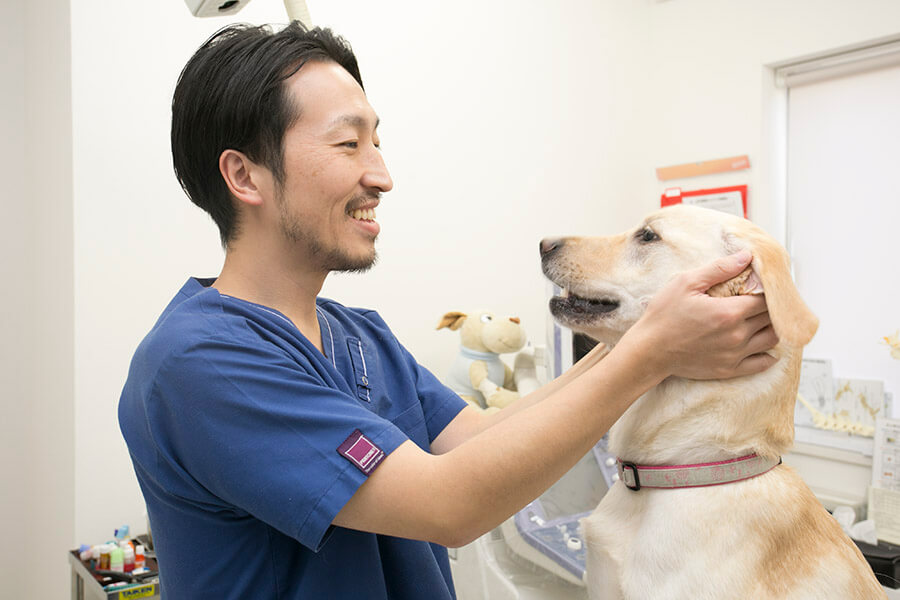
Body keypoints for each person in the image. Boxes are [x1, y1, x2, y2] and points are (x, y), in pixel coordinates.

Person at [118, 21, 778, 600]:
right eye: (349, 145)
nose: (381, 174)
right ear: (245, 177)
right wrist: (650, 352)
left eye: (377, 141)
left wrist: (635, 331)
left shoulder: (357, 337)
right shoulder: (202, 363)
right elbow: (451, 502)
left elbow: (483, 441)